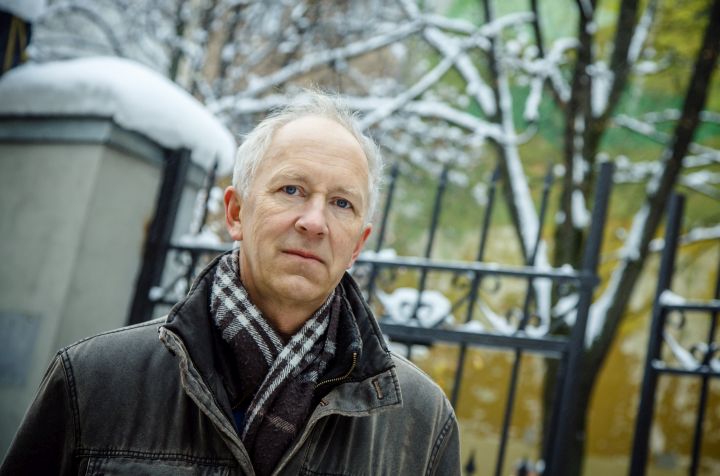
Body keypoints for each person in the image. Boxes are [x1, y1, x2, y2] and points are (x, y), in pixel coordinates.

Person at [1, 91, 460, 475]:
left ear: (357, 243)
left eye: (342, 203)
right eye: (292, 190)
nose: (314, 222)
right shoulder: (93, 381)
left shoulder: (421, 423)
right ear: (236, 212)